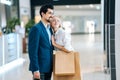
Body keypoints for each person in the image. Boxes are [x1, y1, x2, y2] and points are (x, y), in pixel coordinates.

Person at [28, 4, 54, 80]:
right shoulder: (36, 29)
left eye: (52, 13)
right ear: (42, 14)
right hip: (40, 68)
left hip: (48, 67)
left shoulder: (49, 29)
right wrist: (35, 69)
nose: (51, 15)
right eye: (49, 13)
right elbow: (32, 51)